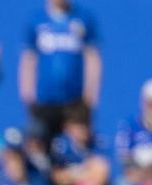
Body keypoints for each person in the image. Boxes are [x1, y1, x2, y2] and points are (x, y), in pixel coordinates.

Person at [18, 0, 101, 139]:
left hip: (75, 101)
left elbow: (92, 57)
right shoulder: (36, 20)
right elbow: (28, 59)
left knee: (76, 149)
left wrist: (91, 94)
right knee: (41, 146)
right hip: (44, 101)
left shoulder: (83, 18)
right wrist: (27, 94)